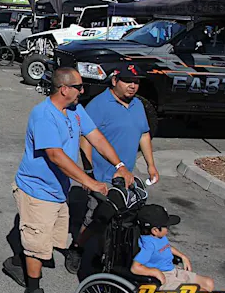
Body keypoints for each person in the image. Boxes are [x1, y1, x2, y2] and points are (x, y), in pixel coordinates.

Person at [4, 67, 135, 293]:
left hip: (57, 189)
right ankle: (33, 290)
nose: (82, 91)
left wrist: (120, 166)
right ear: (64, 89)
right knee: (37, 244)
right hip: (37, 191)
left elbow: (95, 136)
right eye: (79, 86)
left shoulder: (75, 110)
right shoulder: (44, 115)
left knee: (46, 239)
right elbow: (55, 155)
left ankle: (16, 262)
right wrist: (90, 182)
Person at [65, 64, 160, 274]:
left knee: (121, 219)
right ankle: (78, 248)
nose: (132, 86)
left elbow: (144, 134)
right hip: (103, 176)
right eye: (127, 81)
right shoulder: (99, 105)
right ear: (115, 81)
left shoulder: (137, 105)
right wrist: (88, 174)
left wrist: (151, 165)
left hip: (125, 177)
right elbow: (86, 138)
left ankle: (107, 254)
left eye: (136, 82)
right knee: (96, 217)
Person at [131, 204, 217, 293]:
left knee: (209, 283)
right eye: (166, 226)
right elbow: (135, 267)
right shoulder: (148, 245)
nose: (168, 228)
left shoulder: (159, 237)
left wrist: (183, 256)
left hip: (173, 271)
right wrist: (154, 272)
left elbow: (167, 247)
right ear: (155, 230)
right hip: (163, 280)